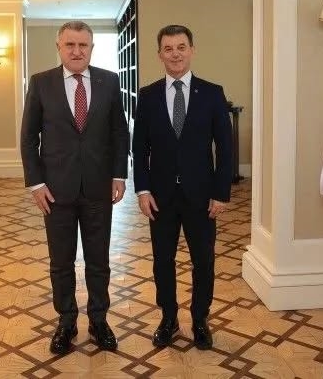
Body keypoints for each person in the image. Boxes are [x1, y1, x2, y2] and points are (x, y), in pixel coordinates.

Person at [20, 21, 129, 355]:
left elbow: (119, 132)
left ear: (92, 48)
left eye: (83, 45)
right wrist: (36, 183)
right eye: (70, 44)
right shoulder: (41, 83)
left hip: (99, 189)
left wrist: (119, 175)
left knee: (98, 262)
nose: (77, 51)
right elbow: (28, 138)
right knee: (61, 263)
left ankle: (99, 320)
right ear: (59, 47)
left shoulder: (110, 81)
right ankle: (66, 322)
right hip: (56, 191)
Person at [132, 24, 232, 350]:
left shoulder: (213, 93)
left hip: (201, 196)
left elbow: (225, 148)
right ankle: (169, 318)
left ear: (192, 50)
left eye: (181, 47)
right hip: (160, 197)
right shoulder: (147, 96)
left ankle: (200, 318)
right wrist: (142, 190)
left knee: (203, 261)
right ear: (159, 54)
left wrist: (221, 193)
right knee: (163, 260)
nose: (175, 54)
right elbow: (139, 148)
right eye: (168, 49)